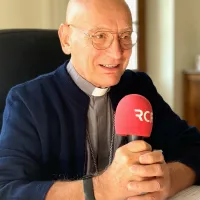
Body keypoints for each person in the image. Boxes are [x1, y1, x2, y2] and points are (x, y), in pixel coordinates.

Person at [0, 0, 200, 199]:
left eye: (125, 36)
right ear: (66, 39)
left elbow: (194, 147)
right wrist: (100, 189)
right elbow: (8, 189)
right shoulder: (27, 101)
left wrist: (168, 181)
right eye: (100, 36)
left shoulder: (139, 88)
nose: (116, 54)